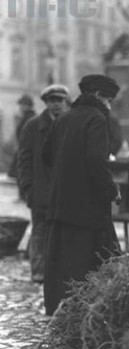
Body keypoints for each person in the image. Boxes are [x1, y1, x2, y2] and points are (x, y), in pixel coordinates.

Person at [42, 74, 122, 316]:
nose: (109, 105)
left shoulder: (64, 118)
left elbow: (47, 155)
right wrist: (111, 189)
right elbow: (96, 162)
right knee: (89, 262)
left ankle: (59, 310)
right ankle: (87, 314)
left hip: (61, 205)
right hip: (87, 209)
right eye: (108, 99)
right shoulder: (97, 119)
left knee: (62, 262)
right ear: (98, 96)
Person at [17, 84, 70, 284]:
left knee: (62, 231)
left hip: (64, 190)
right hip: (40, 189)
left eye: (59, 100)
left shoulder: (69, 124)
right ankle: (38, 271)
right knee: (39, 231)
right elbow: (24, 159)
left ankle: (59, 271)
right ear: (45, 103)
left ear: (65, 102)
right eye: (51, 101)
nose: (56, 105)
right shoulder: (32, 126)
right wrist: (27, 187)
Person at [8, 94, 37, 187]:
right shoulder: (25, 117)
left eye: (22, 105)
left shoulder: (30, 117)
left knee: (23, 173)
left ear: (27, 106)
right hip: (22, 148)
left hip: (26, 148)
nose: (20, 107)